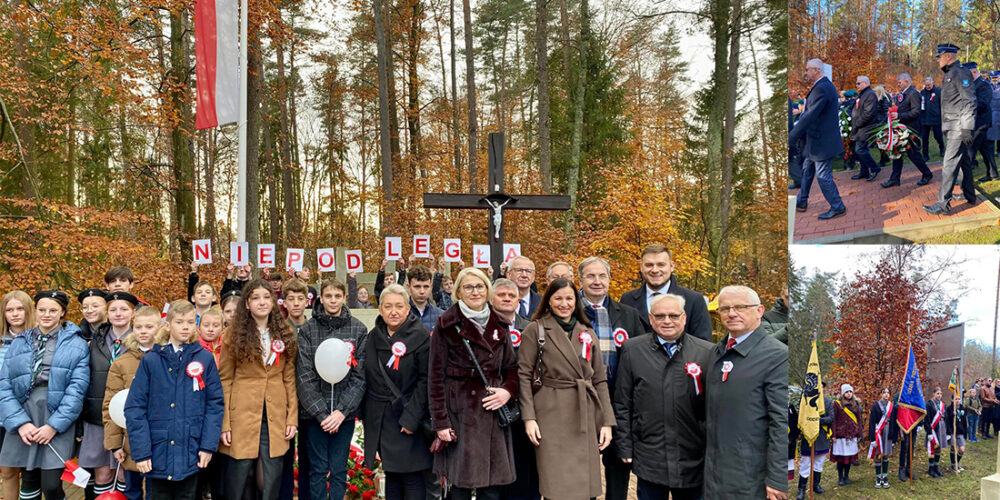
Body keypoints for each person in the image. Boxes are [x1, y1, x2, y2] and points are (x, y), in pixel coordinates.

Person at [516, 278, 614, 500]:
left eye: (569, 298)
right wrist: (529, 418)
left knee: (584, 485)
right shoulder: (535, 330)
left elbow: (599, 379)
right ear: (548, 301)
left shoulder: (587, 331)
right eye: (558, 298)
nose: (564, 304)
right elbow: (524, 376)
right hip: (550, 413)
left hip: (584, 412)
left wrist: (606, 422)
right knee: (556, 483)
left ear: (576, 301)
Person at [613, 293, 713, 500]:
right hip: (650, 454)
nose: (667, 321)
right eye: (660, 316)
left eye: (673, 316)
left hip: (693, 456)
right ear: (651, 319)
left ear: (684, 318)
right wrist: (624, 446)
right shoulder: (633, 350)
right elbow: (623, 402)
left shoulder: (706, 352)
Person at [429, 268, 518, 500]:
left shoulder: (500, 324)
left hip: (493, 411)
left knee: (492, 488)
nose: (475, 292)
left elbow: (512, 369)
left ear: (487, 291)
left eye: (480, 286)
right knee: (460, 487)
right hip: (460, 413)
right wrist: (441, 422)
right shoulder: (446, 324)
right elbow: (435, 377)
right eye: (468, 287)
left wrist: (507, 392)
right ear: (458, 291)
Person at [124, 300, 224, 500]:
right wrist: (141, 452)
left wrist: (207, 446)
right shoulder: (151, 360)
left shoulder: (204, 359)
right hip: (157, 450)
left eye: (190, 322)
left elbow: (214, 405)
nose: (185, 327)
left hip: (191, 450)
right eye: (179, 322)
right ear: (168, 325)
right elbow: (135, 407)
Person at [0, 290, 90, 500]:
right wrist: (21, 423)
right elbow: (4, 384)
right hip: (25, 413)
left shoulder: (76, 344)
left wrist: (53, 426)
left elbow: (77, 389)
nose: (46, 315)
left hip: (56, 414)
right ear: (35, 311)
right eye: (42, 310)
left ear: (62, 312)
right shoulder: (20, 342)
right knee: (29, 480)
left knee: (51, 484)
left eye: (53, 310)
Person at [703, 286, 788, 500]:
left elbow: (780, 420)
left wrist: (777, 478)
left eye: (740, 307)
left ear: (759, 311)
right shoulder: (716, 352)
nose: (732, 313)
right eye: (725, 308)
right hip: (714, 474)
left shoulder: (777, 356)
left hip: (751, 477)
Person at [218, 280, 298, 500]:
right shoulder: (232, 335)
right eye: (255, 298)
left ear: (273, 301)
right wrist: (225, 423)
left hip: (274, 417)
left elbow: (289, 378)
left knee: (269, 482)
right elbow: (225, 380)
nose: (261, 302)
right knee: (241, 480)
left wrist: (292, 418)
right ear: (247, 304)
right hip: (242, 416)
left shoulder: (285, 333)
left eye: (266, 297)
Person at [577, 256, 644, 500]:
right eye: (591, 276)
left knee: (618, 468)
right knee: (583, 470)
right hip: (580, 401)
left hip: (618, 402)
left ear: (609, 279)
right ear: (580, 280)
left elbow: (641, 355)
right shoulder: (567, 312)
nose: (597, 281)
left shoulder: (628, 314)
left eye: (602, 276)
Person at [296, 279, 368, 500]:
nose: (333, 300)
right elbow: (304, 376)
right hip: (314, 416)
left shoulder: (358, 329)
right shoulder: (308, 329)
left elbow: (359, 377)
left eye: (338, 296)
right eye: (328, 296)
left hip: (343, 417)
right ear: (321, 298)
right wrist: (321, 413)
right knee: (317, 469)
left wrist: (341, 411)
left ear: (344, 298)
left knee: (339, 469)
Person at [362, 284, 433, 500]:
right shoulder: (373, 337)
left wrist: (411, 419)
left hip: (408, 416)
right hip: (382, 419)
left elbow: (425, 381)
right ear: (380, 309)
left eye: (399, 306)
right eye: (388, 306)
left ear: (408, 309)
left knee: (412, 476)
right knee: (391, 474)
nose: (393, 312)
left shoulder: (421, 337)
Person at [81, 291, 138, 499]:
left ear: (133, 313)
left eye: (124, 309)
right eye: (113, 310)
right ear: (107, 313)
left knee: (124, 473)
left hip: (128, 417)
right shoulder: (95, 341)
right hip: (98, 416)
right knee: (102, 473)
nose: (118, 314)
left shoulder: (141, 340)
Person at [102, 306, 160, 500]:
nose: (143, 331)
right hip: (131, 440)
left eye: (149, 327)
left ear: (160, 328)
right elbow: (111, 404)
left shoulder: (168, 358)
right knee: (132, 490)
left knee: (156, 491)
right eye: (138, 327)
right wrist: (115, 444)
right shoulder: (121, 363)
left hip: (161, 439)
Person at [489, 279, 536, 500]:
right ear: (491, 299)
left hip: (522, 408)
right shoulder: (480, 327)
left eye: (511, 296)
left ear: (518, 301)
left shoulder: (531, 328)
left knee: (523, 470)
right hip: (491, 408)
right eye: (501, 295)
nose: (507, 299)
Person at [789, 59, 846, 220]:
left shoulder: (822, 88)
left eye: (807, 69)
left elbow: (809, 116)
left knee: (823, 176)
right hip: (816, 141)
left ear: (816, 70)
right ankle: (802, 200)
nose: (805, 73)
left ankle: (838, 206)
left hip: (822, 143)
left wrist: (791, 137)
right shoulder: (823, 86)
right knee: (807, 170)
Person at [924, 43, 977, 215]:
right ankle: (970, 195)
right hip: (952, 126)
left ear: (948, 56)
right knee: (963, 162)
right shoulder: (949, 74)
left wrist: (967, 128)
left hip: (959, 127)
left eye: (939, 56)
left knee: (949, 164)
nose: (937, 59)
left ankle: (942, 204)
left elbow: (969, 101)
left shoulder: (960, 73)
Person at [619, 244, 711, 340]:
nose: (655, 270)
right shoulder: (627, 300)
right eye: (649, 265)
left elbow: (703, 343)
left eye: (661, 265)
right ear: (641, 267)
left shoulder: (693, 300)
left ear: (671, 266)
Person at [0, 291, 34, 500]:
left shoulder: (39, 341)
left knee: (32, 475)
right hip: (3, 418)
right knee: (8, 471)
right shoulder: (1, 344)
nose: (15, 314)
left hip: (31, 417)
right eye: (9, 310)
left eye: (20, 308)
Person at [882, 73, 934, 187]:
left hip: (911, 129)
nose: (898, 85)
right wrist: (892, 113)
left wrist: (899, 115)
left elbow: (916, 112)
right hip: (902, 128)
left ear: (906, 81)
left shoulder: (913, 94)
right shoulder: (902, 94)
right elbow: (901, 109)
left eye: (899, 82)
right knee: (897, 153)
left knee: (913, 154)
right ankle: (894, 179)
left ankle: (927, 174)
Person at [794, 383, 832, 500]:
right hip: (808, 437)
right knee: (805, 463)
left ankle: (815, 485)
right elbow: (800, 418)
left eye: (821, 386)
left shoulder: (828, 402)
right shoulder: (805, 402)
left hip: (822, 438)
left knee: (819, 463)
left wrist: (817, 420)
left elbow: (831, 418)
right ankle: (801, 489)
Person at [966, 63, 998, 181]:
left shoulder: (984, 85)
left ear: (973, 72)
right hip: (978, 122)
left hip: (980, 123)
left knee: (970, 149)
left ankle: (963, 177)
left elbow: (982, 103)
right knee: (986, 149)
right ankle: (993, 174)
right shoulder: (972, 84)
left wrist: (966, 103)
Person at [850, 76, 882, 182]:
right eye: (856, 83)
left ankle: (874, 168)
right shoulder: (863, 94)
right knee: (860, 149)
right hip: (860, 127)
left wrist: (857, 123)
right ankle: (864, 171)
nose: (857, 85)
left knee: (860, 149)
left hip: (866, 127)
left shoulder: (870, 94)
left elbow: (868, 113)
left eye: (859, 83)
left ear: (866, 83)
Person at [831, 384, 863, 486]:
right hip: (840, 436)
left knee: (849, 458)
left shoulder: (855, 405)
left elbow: (859, 420)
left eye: (850, 392)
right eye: (846, 392)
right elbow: (833, 420)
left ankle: (846, 476)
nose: (849, 394)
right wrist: (833, 435)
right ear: (843, 393)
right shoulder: (837, 404)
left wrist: (859, 433)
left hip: (852, 435)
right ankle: (840, 477)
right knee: (841, 459)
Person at [867, 388, 894, 489]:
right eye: (884, 393)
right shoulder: (875, 406)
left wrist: (893, 438)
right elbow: (871, 423)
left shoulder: (892, 406)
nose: (886, 394)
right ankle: (878, 478)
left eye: (888, 393)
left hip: (888, 433)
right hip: (878, 433)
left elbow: (894, 422)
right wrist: (872, 439)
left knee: (886, 455)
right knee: (878, 455)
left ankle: (885, 477)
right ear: (881, 394)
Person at [406, 266, 444, 334]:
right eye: (417, 287)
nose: (422, 291)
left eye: (426, 287)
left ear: (431, 287)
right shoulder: (400, 315)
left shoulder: (441, 316)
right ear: (409, 287)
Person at [921, 77, 945, 161]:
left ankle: (942, 148)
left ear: (932, 83)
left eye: (929, 85)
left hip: (936, 119)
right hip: (925, 119)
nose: (928, 86)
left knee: (938, 136)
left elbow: (942, 105)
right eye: (926, 85)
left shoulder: (938, 92)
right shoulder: (922, 93)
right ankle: (925, 155)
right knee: (924, 138)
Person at [924, 387, 947, 478]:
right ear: (933, 394)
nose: (939, 395)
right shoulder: (929, 404)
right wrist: (929, 432)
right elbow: (927, 419)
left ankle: (936, 467)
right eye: (937, 393)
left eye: (940, 394)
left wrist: (948, 431)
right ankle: (931, 468)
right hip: (933, 429)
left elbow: (946, 417)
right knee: (933, 448)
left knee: (939, 448)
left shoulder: (942, 404)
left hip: (941, 428)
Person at [945, 392, 968, 473]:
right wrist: (952, 415)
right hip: (952, 431)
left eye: (959, 399)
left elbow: (964, 421)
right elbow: (947, 421)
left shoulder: (962, 408)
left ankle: (957, 462)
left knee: (962, 449)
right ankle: (953, 464)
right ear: (952, 400)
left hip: (960, 431)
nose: (957, 400)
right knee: (953, 448)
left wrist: (965, 432)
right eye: (956, 399)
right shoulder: (949, 408)